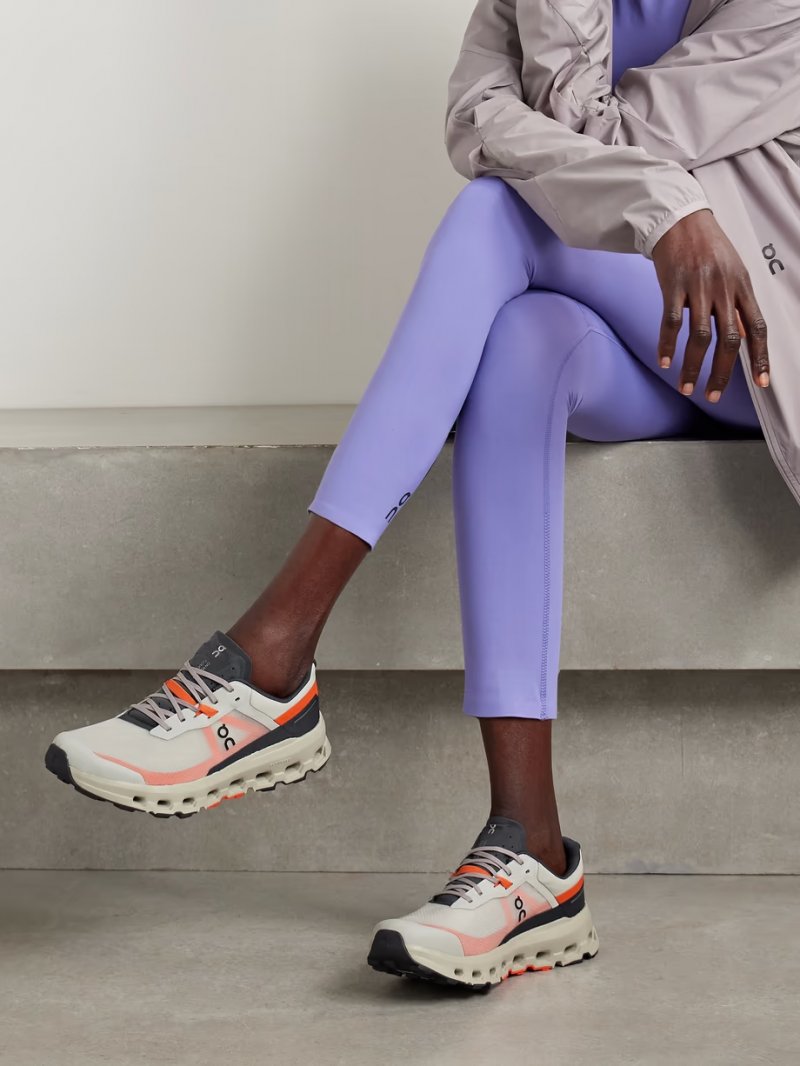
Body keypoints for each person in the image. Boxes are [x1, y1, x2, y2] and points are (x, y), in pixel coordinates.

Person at [44, 1, 772, 989]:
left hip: (759, 336)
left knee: (495, 213)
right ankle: (529, 852)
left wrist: (665, 205)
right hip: (639, 340)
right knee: (520, 346)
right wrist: (659, 200)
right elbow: (476, 124)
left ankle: (272, 656)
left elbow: (595, 144)